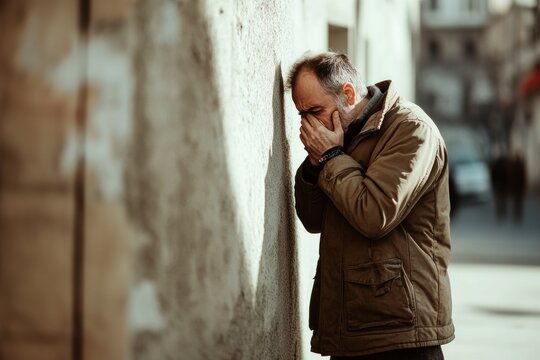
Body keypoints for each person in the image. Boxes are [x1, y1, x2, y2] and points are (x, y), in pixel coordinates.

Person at [287, 52, 454, 359]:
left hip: (400, 334)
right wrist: (314, 164)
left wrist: (331, 159)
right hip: (352, 328)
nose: (309, 126)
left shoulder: (411, 129)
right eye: (302, 115)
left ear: (348, 94)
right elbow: (313, 220)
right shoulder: (339, 139)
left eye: (315, 111)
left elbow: (374, 214)